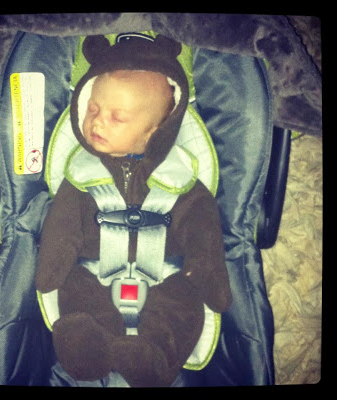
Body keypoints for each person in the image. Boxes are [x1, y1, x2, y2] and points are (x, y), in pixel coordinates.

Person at [36, 34, 232, 387]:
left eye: (117, 117)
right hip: (93, 271)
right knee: (75, 289)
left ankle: (155, 356)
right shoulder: (80, 175)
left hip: (167, 275)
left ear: (153, 133)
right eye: (93, 109)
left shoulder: (181, 177)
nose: (97, 122)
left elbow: (203, 230)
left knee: (183, 305)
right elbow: (61, 226)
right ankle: (89, 346)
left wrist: (209, 273)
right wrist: (51, 269)